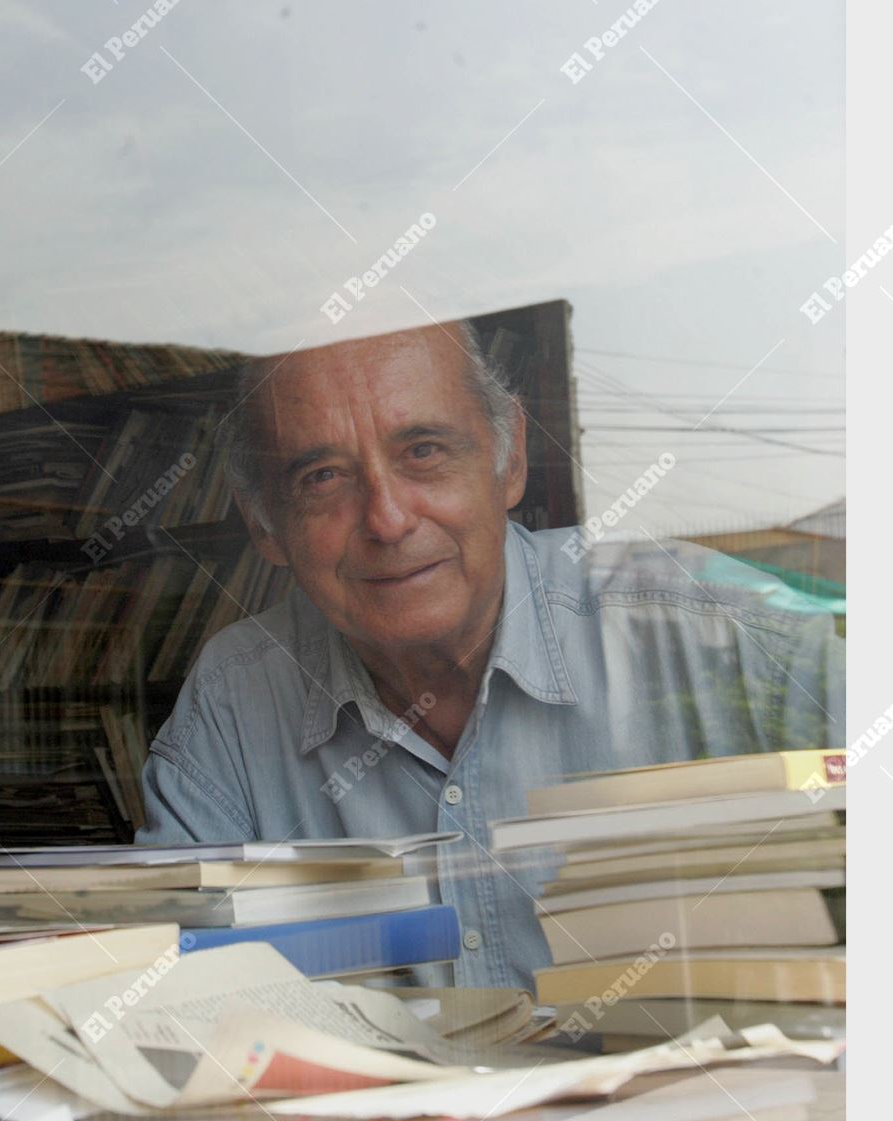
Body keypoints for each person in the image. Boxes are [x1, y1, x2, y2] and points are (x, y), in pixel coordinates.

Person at [137, 320, 844, 990]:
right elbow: (169, 989)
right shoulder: (235, 698)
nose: (387, 518)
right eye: (322, 476)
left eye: (424, 451)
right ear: (265, 523)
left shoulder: (730, 639)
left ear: (510, 463)